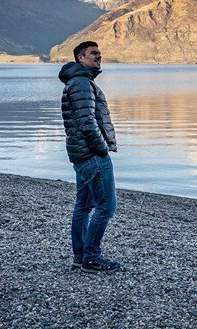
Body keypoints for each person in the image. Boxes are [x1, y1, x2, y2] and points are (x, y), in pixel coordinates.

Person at [58, 41, 120, 273]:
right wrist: (102, 149)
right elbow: (87, 123)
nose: (99, 56)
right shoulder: (82, 83)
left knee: (83, 205)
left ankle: (80, 257)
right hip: (92, 155)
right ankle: (91, 258)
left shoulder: (78, 82)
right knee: (106, 206)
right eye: (93, 53)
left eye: (99, 53)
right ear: (80, 58)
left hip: (80, 154)